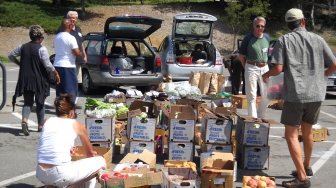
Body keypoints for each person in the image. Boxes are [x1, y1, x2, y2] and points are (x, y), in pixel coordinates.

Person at [262, 8, 336, 188]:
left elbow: (278, 69)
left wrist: (266, 76)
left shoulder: (284, 41)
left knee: (291, 135)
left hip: (295, 95)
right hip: (316, 94)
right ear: (303, 22)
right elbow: (334, 64)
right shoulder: (318, 39)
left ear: (288, 25)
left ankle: (302, 178)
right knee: (308, 131)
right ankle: (306, 165)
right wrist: (322, 76)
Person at [36, 93, 106, 188]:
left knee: (59, 170)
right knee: (101, 162)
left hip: (40, 173)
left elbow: (51, 144)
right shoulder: (77, 125)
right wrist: (94, 154)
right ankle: (71, 187)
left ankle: (50, 186)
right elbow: (89, 155)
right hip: (59, 174)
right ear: (72, 112)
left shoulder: (47, 121)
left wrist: (68, 150)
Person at [8, 25, 60, 136]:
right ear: (40, 37)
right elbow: (47, 64)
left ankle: (24, 120)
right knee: (40, 102)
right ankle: (40, 126)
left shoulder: (22, 47)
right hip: (39, 78)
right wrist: (55, 72)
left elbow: (11, 55)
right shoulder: (42, 49)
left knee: (28, 102)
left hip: (25, 78)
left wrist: (20, 64)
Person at [238, 16, 270, 118]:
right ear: (253, 26)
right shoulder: (248, 38)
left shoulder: (267, 38)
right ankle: (253, 118)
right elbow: (241, 55)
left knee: (267, 94)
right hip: (251, 67)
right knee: (252, 95)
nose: (260, 28)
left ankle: (260, 115)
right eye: (258, 26)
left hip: (265, 68)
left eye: (262, 26)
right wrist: (246, 67)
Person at [53, 19, 82, 104]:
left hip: (57, 65)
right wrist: (80, 53)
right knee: (70, 90)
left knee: (60, 89)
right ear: (69, 26)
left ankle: (60, 108)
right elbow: (76, 52)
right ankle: (70, 109)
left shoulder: (57, 37)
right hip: (68, 65)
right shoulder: (70, 37)